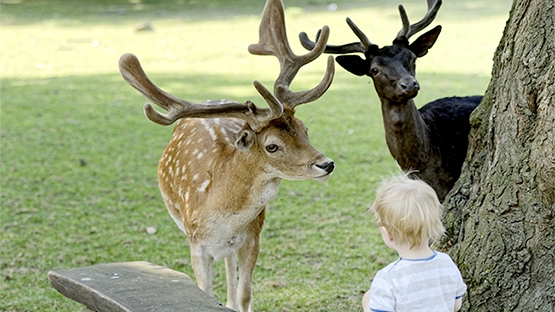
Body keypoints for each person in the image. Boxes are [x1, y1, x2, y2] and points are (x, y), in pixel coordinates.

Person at [362, 173, 466, 312]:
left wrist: (367, 303)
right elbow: (456, 306)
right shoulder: (446, 263)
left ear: (388, 234)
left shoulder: (388, 278)